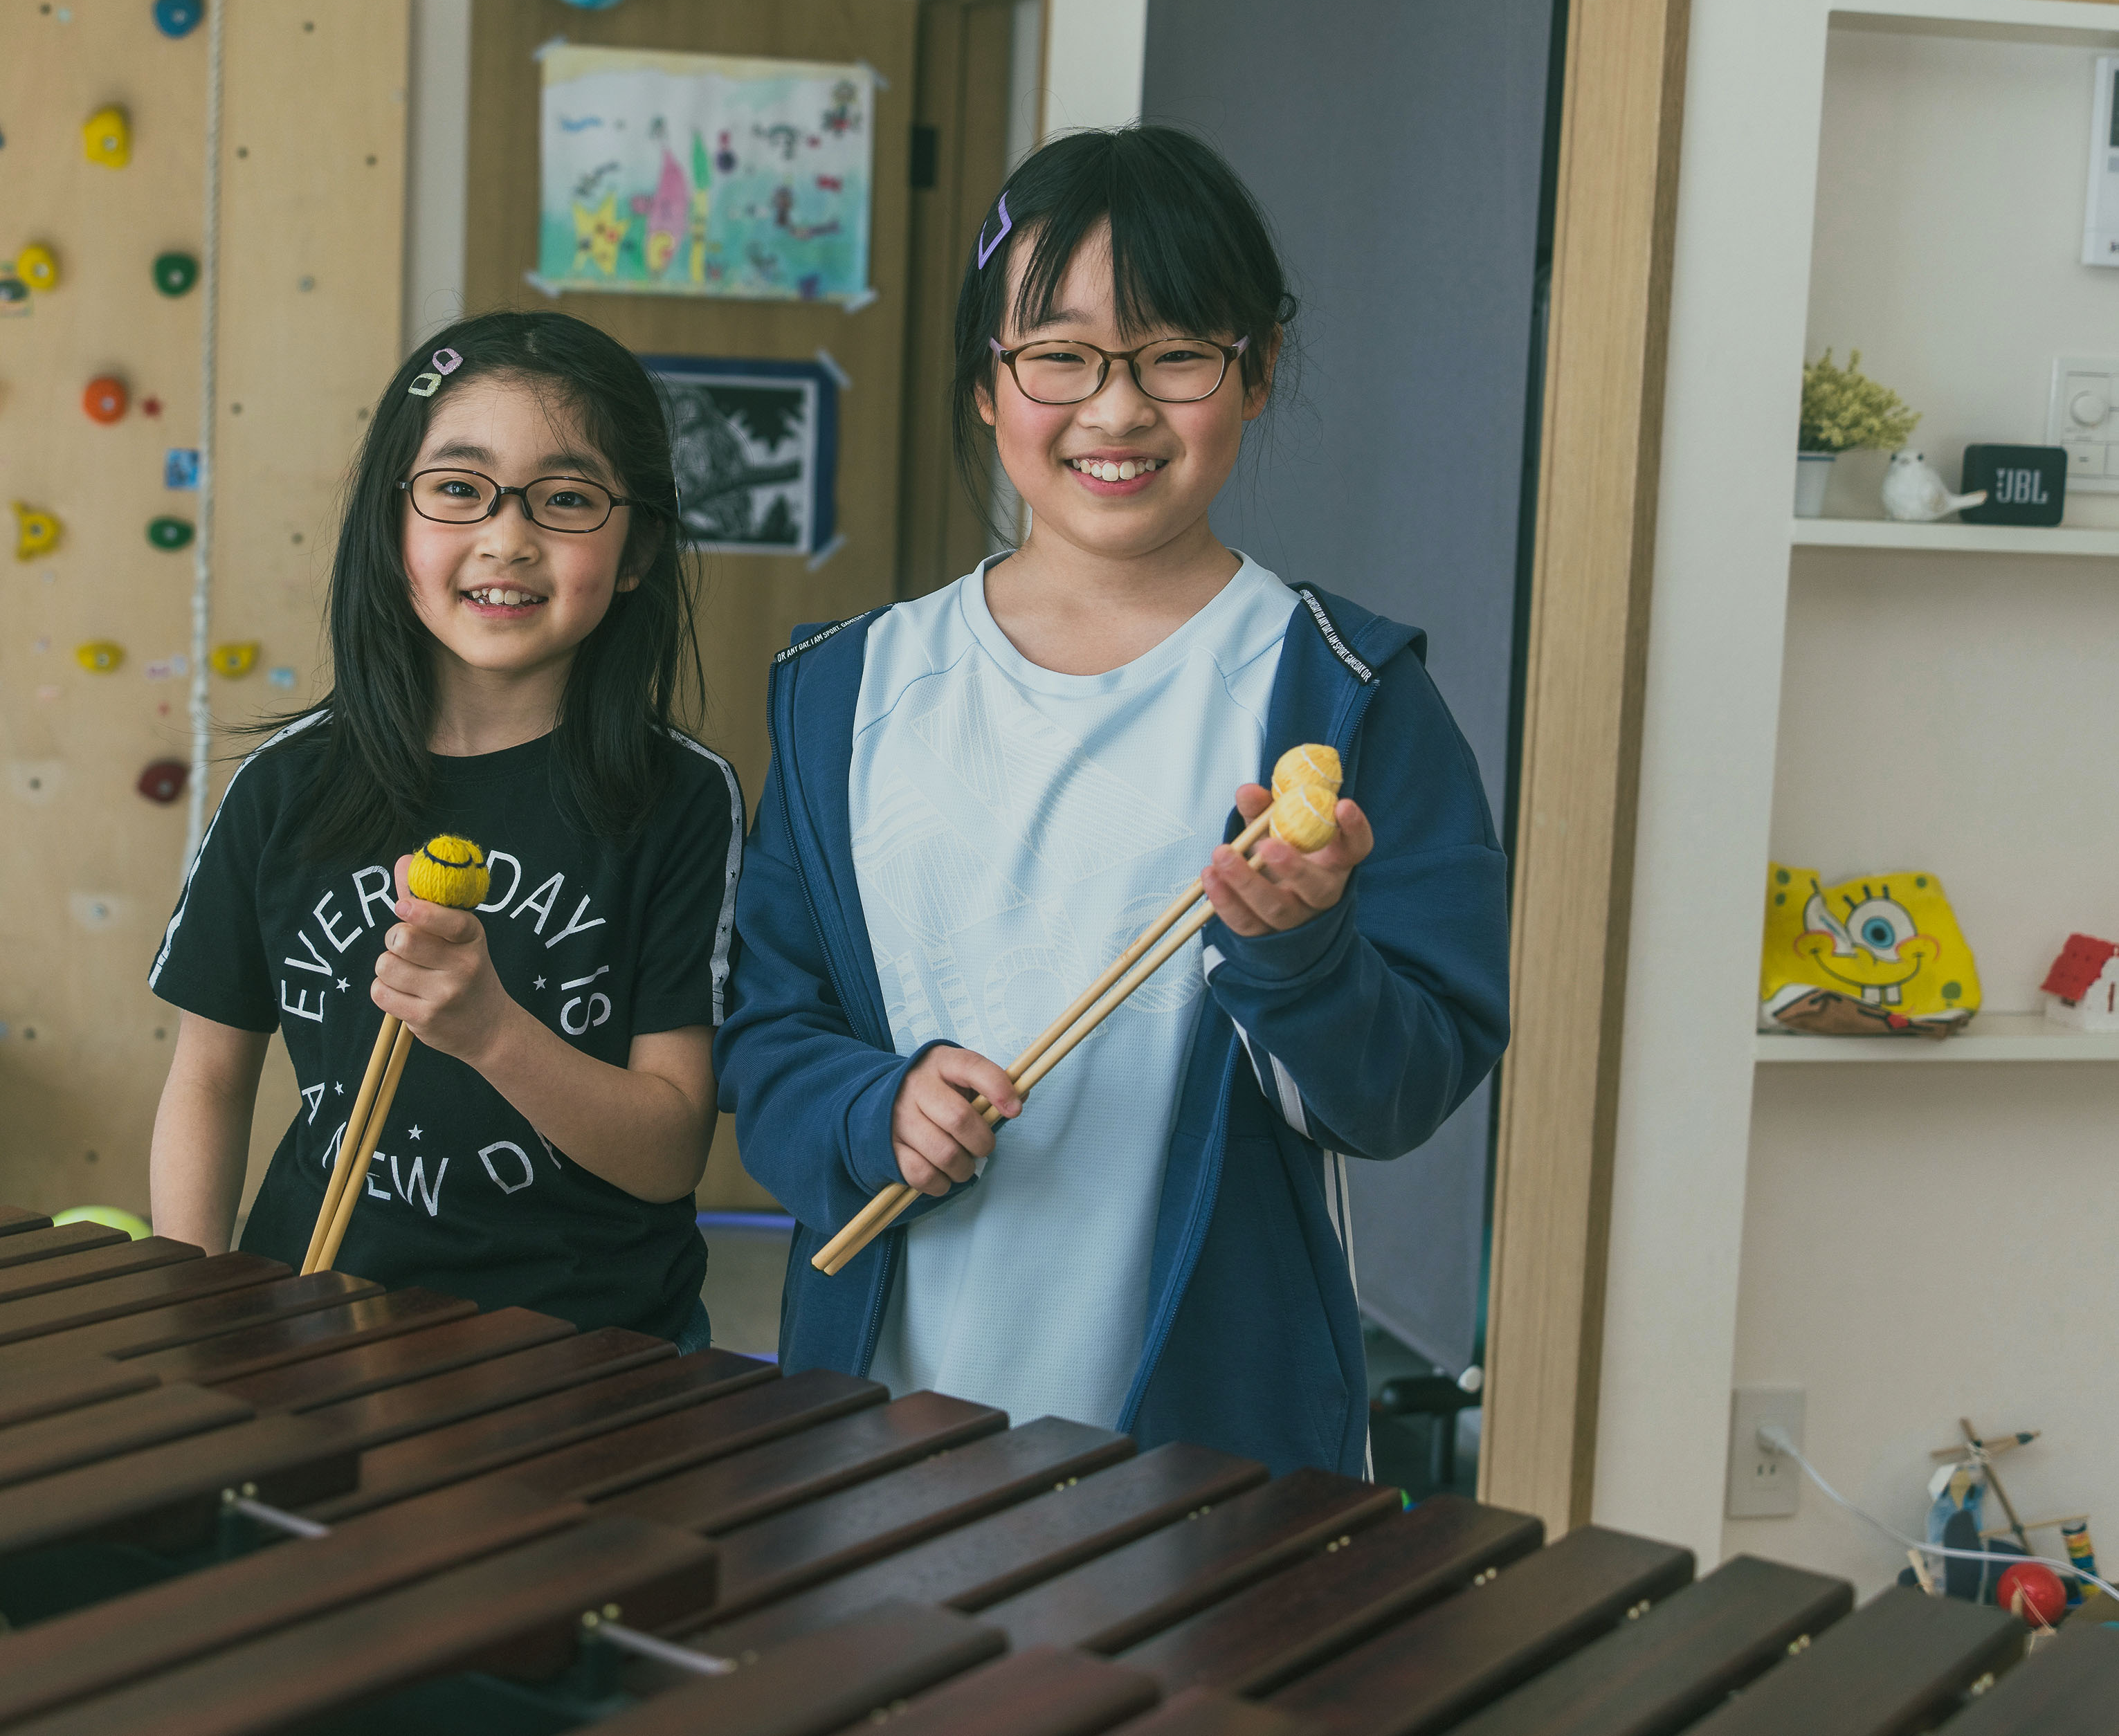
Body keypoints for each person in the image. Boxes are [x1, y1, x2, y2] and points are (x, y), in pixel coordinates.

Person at [718, 125, 1510, 1473]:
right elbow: (765, 1036)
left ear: (1253, 371)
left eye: (1174, 355)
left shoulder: (1342, 691)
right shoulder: (844, 690)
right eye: (1060, 354)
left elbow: (1401, 1091)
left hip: (1210, 1458)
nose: (1115, 407)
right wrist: (872, 1107)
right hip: (871, 1440)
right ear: (987, 379)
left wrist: (1296, 951)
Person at [147, 311, 742, 1349]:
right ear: (392, 525)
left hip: (590, 1350)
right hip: (314, 1322)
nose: (506, 539)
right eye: (458, 490)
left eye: (565, 500)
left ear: (638, 545)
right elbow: (207, 1079)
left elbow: (669, 1147)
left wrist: (492, 1035)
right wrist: (195, 1312)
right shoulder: (287, 788)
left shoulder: (681, 799)